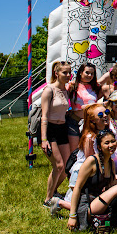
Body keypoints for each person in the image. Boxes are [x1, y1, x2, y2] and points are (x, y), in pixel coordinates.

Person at [67, 130, 117, 231]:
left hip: (100, 202)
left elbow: (112, 188)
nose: (111, 145)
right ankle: (105, 218)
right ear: (99, 147)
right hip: (87, 205)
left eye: (113, 141)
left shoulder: (111, 163)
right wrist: (72, 216)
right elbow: (77, 187)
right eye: (106, 143)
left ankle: (109, 218)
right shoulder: (91, 161)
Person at [49, 103, 109, 215]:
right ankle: (59, 203)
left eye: (107, 112)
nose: (105, 116)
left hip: (98, 168)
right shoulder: (89, 138)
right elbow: (89, 161)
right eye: (100, 114)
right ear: (92, 120)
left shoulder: (105, 133)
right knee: (82, 206)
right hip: (85, 171)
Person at [41, 61, 72, 207]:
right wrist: (43, 139)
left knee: (66, 167)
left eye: (69, 72)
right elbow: (44, 116)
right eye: (64, 72)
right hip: (50, 130)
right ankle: (48, 199)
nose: (67, 75)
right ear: (56, 73)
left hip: (62, 129)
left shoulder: (66, 90)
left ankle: (54, 191)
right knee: (58, 165)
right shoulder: (49, 90)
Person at [67, 63, 102, 154]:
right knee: (74, 152)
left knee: (89, 151)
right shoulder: (72, 86)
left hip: (90, 123)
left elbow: (108, 77)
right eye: (87, 73)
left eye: (92, 73)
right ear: (80, 73)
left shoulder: (96, 87)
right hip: (74, 122)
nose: (90, 75)